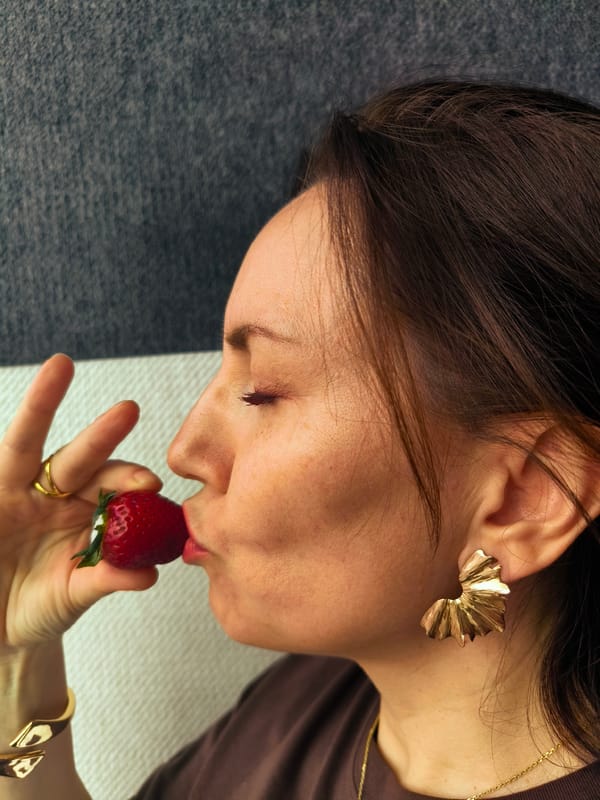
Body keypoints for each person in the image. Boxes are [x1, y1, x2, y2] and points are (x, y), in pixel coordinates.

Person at [0, 79, 599, 800]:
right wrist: (16, 668)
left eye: (262, 392)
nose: (184, 450)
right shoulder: (305, 704)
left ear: (526, 497)